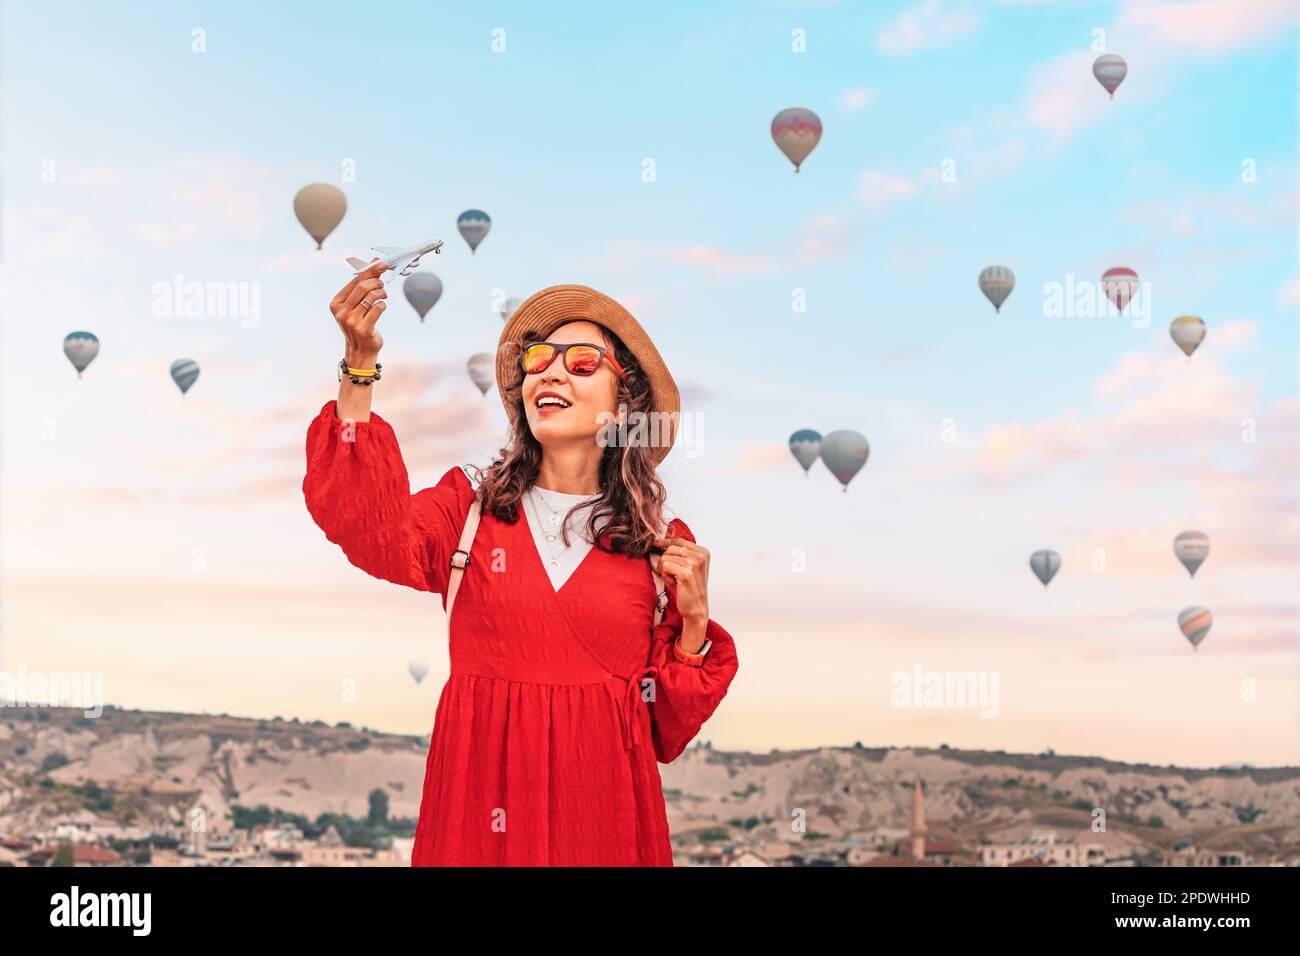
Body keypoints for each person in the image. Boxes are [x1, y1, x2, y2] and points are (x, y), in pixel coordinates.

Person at [303, 262, 739, 865]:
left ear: (623, 403)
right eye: (538, 359)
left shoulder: (658, 543)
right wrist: (359, 366)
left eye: (581, 362)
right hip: (479, 821)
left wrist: (693, 625)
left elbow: (662, 729)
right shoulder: (468, 511)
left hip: (603, 829)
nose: (551, 371)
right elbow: (363, 526)